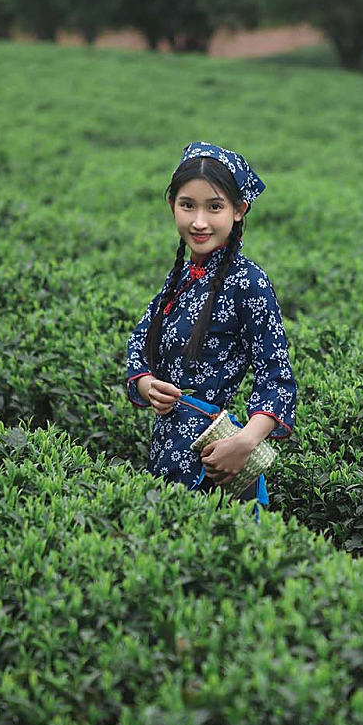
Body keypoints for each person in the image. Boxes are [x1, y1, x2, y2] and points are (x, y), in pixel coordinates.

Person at [125, 141, 296, 524]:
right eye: (188, 205)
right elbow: (138, 344)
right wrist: (146, 385)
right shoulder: (181, 279)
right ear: (173, 206)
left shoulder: (249, 283)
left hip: (218, 459)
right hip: (167, 451)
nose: (199, 221)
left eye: (214, 207)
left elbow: (276, 375)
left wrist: (246, 442)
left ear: (239, 210)